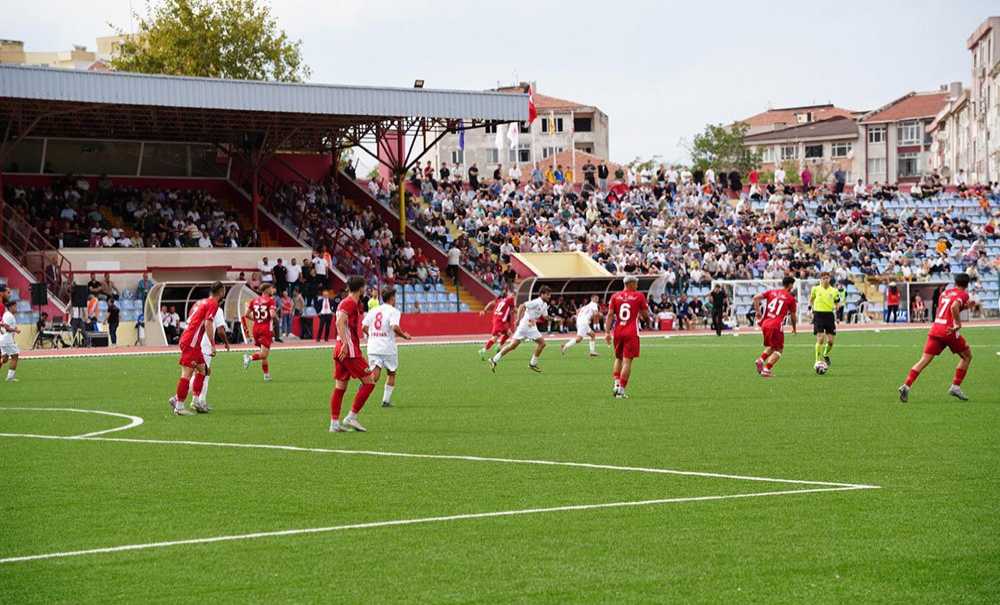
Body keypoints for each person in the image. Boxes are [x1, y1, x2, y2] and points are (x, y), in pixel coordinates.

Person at [898, 273, 973, 402]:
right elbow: (954, 306)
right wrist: (958, 323)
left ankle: (906, 386)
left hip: (936, 327)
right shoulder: (963, 294)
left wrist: (965, 307)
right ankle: (955, 386)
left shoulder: (945, 293)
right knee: (967, 356)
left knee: (923, 360)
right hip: (949, 330)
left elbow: (946, 308)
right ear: (967, 284)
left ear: (955, 282)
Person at [168, 281, 226, 416]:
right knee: (187, 373)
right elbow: (208, 324)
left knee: (204, 370)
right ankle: (179, 406)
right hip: (192, 341)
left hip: (192, 339)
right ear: (221, 291)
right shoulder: (213, 304)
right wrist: (213, 344)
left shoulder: (204, 302)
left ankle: (195, 401)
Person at [330, 276, 378, 433]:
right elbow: (339, 322)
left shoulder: (346, 302)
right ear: (361, 288)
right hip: (348, 350)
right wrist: (345, 343)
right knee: (370, 381)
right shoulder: (350, 302)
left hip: (340, 348)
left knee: (340, 387)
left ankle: (334, 424)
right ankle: (351, 417)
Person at [362, 287, 411, 408]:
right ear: (392, 298)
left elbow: (363, 327)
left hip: (373, 346)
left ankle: (362, 390)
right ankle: (386, 401)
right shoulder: (394, 311)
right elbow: (394, 327)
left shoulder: (374, 310)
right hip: (387, 347)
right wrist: (404, 336)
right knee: (391, 373)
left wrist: (372, 336)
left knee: (375, 374)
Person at [489, 285, 552, 373]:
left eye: (550, 294)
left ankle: (494, 359)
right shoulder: (536, 302)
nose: (549, 296)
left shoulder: (544, 305)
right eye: (548, 294)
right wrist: (518, 319)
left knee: (512, 346)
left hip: (526, 326)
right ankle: (532, 364)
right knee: (542, 343)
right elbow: (522, 306)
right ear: (542, 294)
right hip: (527, 325)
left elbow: (545, 316)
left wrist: (553, 319)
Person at [606, 276, 650, 398]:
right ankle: (621, 390)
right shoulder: (639, 296)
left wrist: (607, 332)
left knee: (618, 358)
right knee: (627, 361)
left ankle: (616, 384)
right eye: (636, 283)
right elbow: (645, 314)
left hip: (618, 331)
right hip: (631, 332)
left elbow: (610, 314)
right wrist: (648, 322)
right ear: (630, 283)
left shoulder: (615, 296)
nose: (637, 285)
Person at [752, 276, 798, 378]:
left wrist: (758, 312)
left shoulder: (772, 292)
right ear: (790, 285)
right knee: (779, 349)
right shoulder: (790, 298)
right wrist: (794, 328)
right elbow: (793, 316)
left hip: (765, 323)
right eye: (793, 284)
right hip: (776, 325)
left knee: (773, 346)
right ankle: (766, 369)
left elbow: (755, 298)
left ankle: (760, 360)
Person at [190, 303, 229, 413]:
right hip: (205, 345)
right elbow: (221, 330)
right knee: (203, 373)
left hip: (194, 342)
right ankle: (192, 400)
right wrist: (226, 342)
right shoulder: (217, 310)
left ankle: (198, 400)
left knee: (201, 372)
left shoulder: (199, 307)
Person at [241, 283, 278, 381]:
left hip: (256, 328)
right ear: (266, 290)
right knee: (264, 354)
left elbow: (246, 315)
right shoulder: (270, 301)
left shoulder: (254, 300)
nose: (272, 290)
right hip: (265, 329)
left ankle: (266, 375)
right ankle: (249, 358)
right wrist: (274, 312)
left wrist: (257, 319)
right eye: (271, 288)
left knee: (263, 352)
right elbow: (272, 315)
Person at [809, 273, 842, 368]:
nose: (825, 280)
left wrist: (838, 315)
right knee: (820, 338)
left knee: (831, 341)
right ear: (820, 279)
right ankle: (817, 361)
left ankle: (825, 354)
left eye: (827, 278)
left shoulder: (834, 291)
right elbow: (811, 299)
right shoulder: (815, 289)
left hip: (829, 315)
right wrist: (810, 309)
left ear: (829, 279)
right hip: (818, 314)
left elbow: (837, 303)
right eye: (823, 278)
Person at [478, 288, 516, 359]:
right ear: (508, 294)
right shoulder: (510, 299)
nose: (513, 295)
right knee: (495, 338)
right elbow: (514, 310)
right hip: (500, 321)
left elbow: (490, 303)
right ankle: (483, 350)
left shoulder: (500, 300)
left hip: (498, 320)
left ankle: (499, 346)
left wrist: (484, 311)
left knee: (508, 333)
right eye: (512, 293)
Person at [0, 300, 22, 382]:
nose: (16, 308)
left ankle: (10, 377)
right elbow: (7, 328)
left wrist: (14, 328)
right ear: (10, 307)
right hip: (7, 339)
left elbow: (4, 325)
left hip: (3, 339)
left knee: (5, 358)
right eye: (15, 306)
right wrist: (16, 330)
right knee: (15, 356)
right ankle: (10, 378)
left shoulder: (7, 314)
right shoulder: (9, 315)